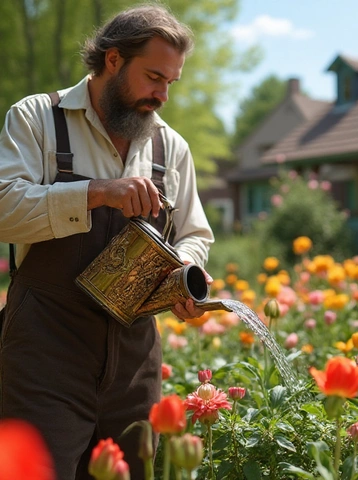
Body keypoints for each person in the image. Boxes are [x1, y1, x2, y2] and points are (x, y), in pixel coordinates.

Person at [0, 5, 214, 479]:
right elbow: (3, 211)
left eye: (170, 83)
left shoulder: (170, 146)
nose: (162, 95)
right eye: (153, 77)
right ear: (113, 60)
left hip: (135, 363)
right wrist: (97, 192)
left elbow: (195, 234)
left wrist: (182, 275)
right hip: (44, 355)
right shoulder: (37, 117)